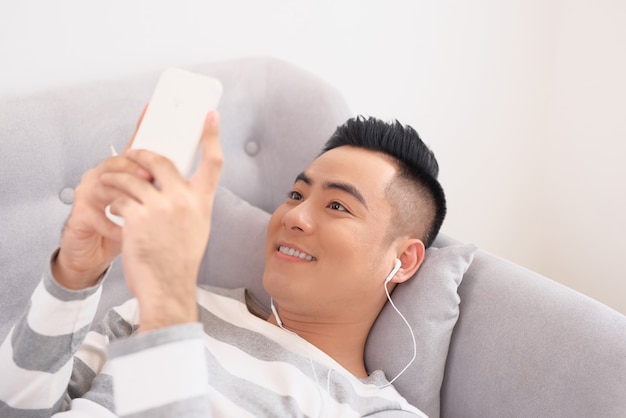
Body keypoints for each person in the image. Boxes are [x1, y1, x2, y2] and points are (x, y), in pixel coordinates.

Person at [0, 110, 445, 417]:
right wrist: (73, 277)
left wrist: (166, 302)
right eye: (296, 194)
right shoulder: (181, 309)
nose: (294, 217)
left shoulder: (373, 410)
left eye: (337, 207)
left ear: (403, 259)